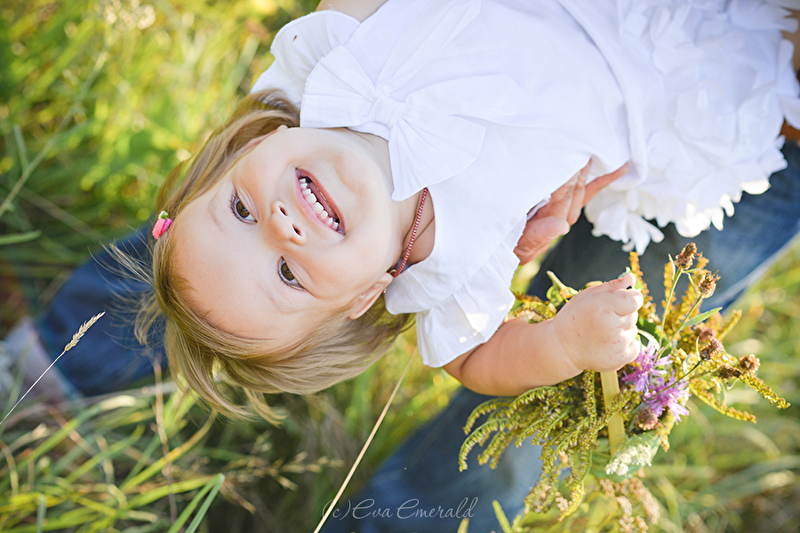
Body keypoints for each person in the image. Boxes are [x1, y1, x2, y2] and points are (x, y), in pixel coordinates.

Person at [123, 0, 800, 426]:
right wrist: (565, 344)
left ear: (249, 147)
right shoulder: (449, 273)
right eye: (288, 275)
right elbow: (477, 358)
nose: (282, 225)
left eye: (240, 209)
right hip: (666, 65)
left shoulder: (333, 57)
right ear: (362, 296)